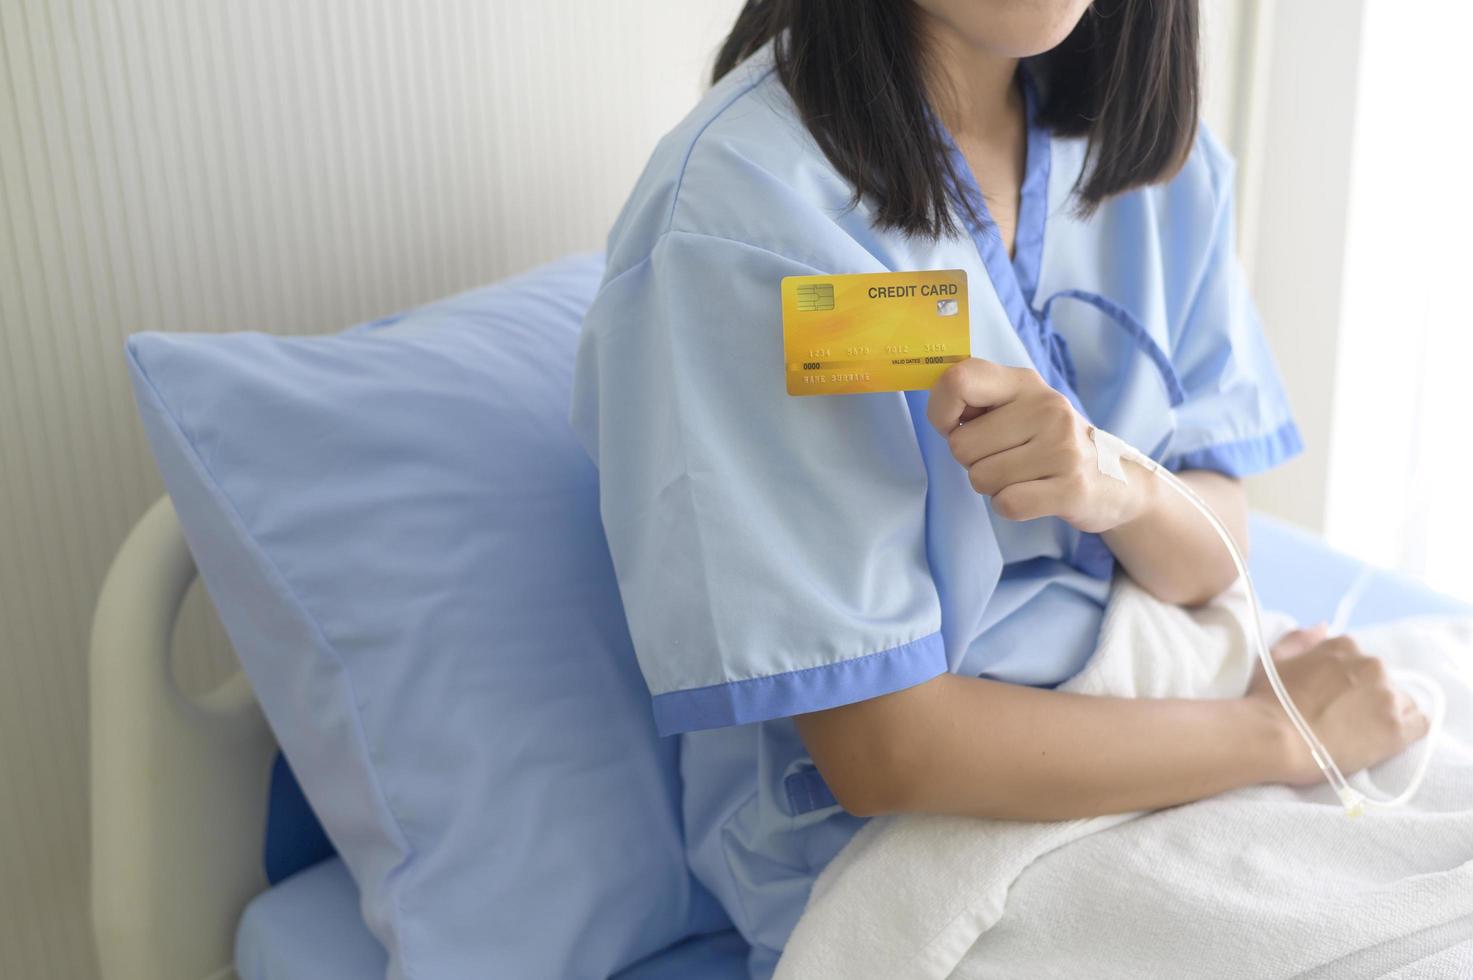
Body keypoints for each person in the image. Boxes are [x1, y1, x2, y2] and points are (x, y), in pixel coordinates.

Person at [571, 1, 1429, 973]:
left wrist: (1124, 488)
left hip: (1173, 690)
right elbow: (887, 750)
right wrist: (1277, 732)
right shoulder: (752, 224)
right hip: (922, 836)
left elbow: (1212, 553)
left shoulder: (1150, 158)